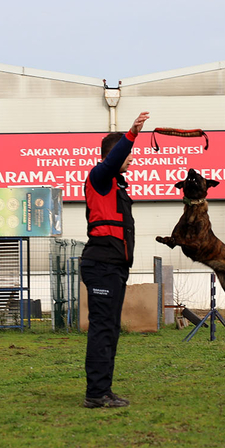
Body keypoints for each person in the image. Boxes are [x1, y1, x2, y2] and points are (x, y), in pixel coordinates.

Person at [81, 111, 150, 408]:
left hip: (114, 266)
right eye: (128, 154)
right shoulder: (100, 177)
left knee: (110, 328)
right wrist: (132, 133)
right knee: (102, 328)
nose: (131, 159)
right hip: (101, 264)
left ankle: (104, 390)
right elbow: (113, 160)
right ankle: (96, 394)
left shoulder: (117, 185)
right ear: (114, 155)